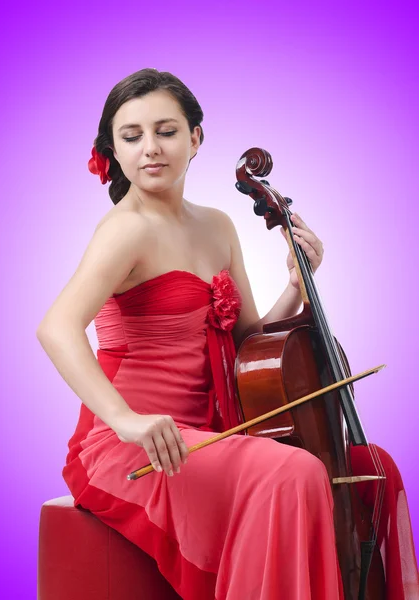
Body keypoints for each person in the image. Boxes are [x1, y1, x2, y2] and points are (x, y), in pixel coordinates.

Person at [36, 68, 418, 599]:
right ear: (113, 152)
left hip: (215, 433)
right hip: (139, 446)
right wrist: (126, 420)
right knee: (291, 473)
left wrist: (297, 284)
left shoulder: (218, 225)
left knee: (372, 465)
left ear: (196, 138)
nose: (151, 148)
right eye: (132, 136)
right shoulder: (126, 228)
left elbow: (247, 343)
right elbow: (56, 327)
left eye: (166, 131)